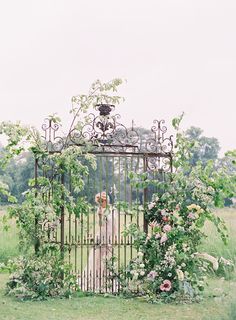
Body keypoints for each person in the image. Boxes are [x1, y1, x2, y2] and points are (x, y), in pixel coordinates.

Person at [82, 191, 117, 292]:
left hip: (109, 236)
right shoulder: (99, 210)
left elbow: (115, 225)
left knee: (108, 259)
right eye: (99, 202)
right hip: (101, 235)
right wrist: (100, 216)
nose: (100, 203)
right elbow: (100, 225)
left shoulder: (113, 210)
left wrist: (115, 237)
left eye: (102, 201)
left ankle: (107, 282)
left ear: (106, 201)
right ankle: (95, 281)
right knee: (96, 259)